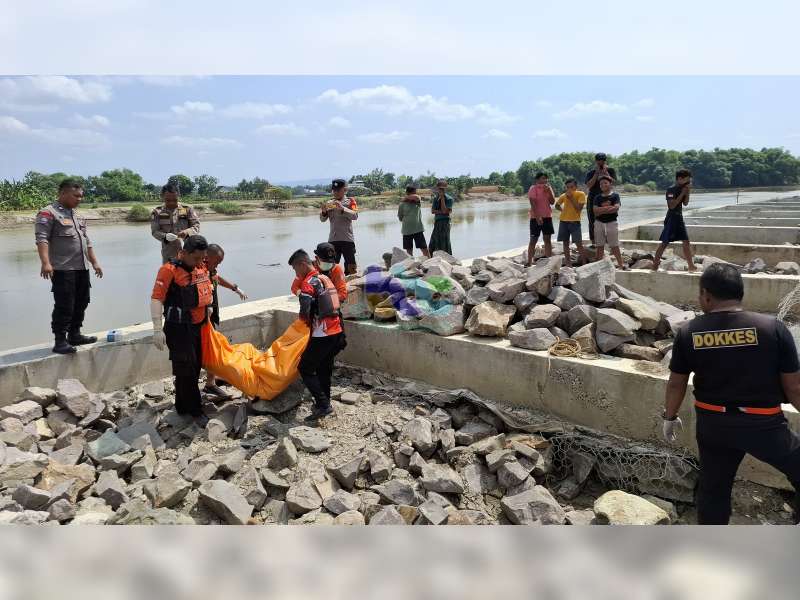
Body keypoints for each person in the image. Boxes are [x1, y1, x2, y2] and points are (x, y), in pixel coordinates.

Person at [662, 263, 800, 524]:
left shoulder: (689, 332)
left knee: (714, 490)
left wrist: (669, 416)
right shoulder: (773, 329)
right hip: (764, 426)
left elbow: (676, 383)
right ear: (740, 294)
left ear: (706, 295)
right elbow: (794, 388)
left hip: (714, 426)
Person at [35, 179, 104, 354]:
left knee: (82, 301)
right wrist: (46, 263)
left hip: (82, 267)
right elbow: (42, 238)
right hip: (63, 269)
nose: (79, 199)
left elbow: (86, 241)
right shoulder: (48, 213)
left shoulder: (78, 215)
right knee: (64, 305)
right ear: (63, 193)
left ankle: (75, 334)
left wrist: (94, 262)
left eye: (81, 196)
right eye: (76, 196)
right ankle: (60, 341)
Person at [150, 235, 213, 423]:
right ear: (184, 253)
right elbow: (156, 298)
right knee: (186, 369)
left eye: (202, 258)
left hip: (198, 326)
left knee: (193, 367)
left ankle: (181, 405)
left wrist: (207, 308)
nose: (199, 262)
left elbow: (205, 288)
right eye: (195, 258)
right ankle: (196, 410)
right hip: (178, 329)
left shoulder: (200, 267)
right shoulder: (168, 270)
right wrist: (156, 328)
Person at [289, 249, 346, 423]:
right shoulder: (324, 278)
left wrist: (301, 325)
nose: (296, 273)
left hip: (322, 333)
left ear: (301, 264)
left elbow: (305, 311)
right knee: (323, 368)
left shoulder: (308, 283)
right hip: (336, 330)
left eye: (295, 269)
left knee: (305, 367)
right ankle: (325, 400)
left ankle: (323, 405)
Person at [203, 243, 248, 399]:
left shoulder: (211, 269)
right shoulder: (198, 270)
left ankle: (211, 381)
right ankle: (209, 383)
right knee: (208, 350)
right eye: (216, 262)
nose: (217, 265)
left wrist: (235, 288)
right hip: (201, 317)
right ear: (206, 257)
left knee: (213, 348)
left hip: (211, 314)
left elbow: (217, 279)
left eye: (219, 263)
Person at [652, 168, 697, 273]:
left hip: (679, 217)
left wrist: (687, 192)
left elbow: (685, 203)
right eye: (686, 179)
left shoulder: (683, 188)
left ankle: (691, 265)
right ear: (680, 179)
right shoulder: (671, 190)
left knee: (686, 241)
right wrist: (682, 193)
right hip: (672, 218)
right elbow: (671, 206)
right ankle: (654, 265)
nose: (688, 182)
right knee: (665, 243)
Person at [150, 183, 200, 263]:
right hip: (169, 255)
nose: (171, 203)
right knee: (169, 274)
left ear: (179, 196)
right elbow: (155, 231)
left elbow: (196, 226)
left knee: (189, 274)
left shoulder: (188, 209)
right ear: (162, 197)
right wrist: (165, 236)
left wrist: (187, 232)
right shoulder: (157, 212)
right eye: (168, 200)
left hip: (188, 253)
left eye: (175, 200)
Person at [320, 178, 359, 275]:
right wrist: (324, 212)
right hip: (333, 239)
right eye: (334, 190)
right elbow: (322, 219)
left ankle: (351, 285)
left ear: (345, 190)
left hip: (347, 239)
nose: (335, 192)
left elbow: (355, 215)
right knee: (330, 266)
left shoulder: (350, 201)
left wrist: (343, 209)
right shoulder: (329, 203)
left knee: (351, 267)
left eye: (338, 190)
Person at [592, 176, 627, 269]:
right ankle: (598, 267)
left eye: (605, 183)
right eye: (601, 184)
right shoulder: (597, 197)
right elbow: (595, 210)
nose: (602, 185)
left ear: (610, 184)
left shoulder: (615, 196)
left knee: (614, 245)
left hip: (611, 223)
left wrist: (601, 210)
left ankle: (621, 265)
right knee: (600, 246)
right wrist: (609, 208)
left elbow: (616, 208)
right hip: (599, 223)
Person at [554, 178, 589, 267]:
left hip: (575, 222)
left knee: (578, 244)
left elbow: (579, 208)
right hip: (563, 222)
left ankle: (584, 262)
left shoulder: (581, 194)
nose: (569, 189)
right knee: (565, 243)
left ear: (576, 187)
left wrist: (571, 198)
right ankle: (568, 263)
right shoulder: (563, 195)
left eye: (572, 187)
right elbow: (557, 205)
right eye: (567, 187)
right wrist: (562, 211)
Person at [584, 153, 617, 246]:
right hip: (593, 198)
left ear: (605, 161)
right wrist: (596, 174)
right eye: (599, 160)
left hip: (607, 198)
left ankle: (608, 243)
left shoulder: (610, 170)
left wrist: (606, 174)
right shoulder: (591, 173)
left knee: (608, 220)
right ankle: (594, 243)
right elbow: (589, 185)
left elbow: (614, 183)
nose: (600, 162)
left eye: (602, 160)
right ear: (596, 161)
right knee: (592, 221)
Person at [525, 172, 556, 266]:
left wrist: (549, 191)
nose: (545, 180)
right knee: (533, 239)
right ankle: (529, 261)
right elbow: (533, 203)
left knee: (547, 239)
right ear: (537, 180)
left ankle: (548, 261)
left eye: (546, 178)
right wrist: (538, 217)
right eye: (543, 178)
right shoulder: (533, 188)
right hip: (535, 218)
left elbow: (552, 202)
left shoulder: (548, 188)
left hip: (547, 216)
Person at [397, 184, 430, 258]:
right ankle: (411, 266)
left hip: (418, 229)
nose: (416, 194)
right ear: (410, 192)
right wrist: (405, 199)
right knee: (409, 251)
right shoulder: (402, 204)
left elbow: (417, 197)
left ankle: (429, 262)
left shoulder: (417, 202)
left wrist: (405, 197)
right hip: (406, 230)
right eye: (415, 192)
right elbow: (400, 217)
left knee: (424, 248)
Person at [429, 179, 454, 255]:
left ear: (445, 189)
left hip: (445, 222)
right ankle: (433, 258)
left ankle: (447, 259)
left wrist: (442, 198)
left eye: (442, 189)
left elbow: (445, 210)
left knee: (444, 240)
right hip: (437, 222)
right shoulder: (435, 199)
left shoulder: (449, 199)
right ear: (437, 189)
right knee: (434, 240)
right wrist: (443, 211)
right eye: (439, 188)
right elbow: (433, 211)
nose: (441, 190)